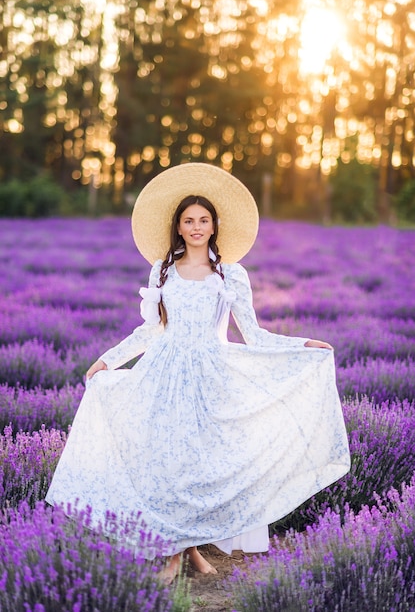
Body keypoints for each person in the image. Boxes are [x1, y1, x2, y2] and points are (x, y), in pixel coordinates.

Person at [46, 163, 350, 584]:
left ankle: (190, 548)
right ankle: (178, 554)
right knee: (166, 460)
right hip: (163, 372)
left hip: (212, 375)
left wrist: (303, 345)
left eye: (203, 220)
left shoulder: (231, 274)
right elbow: (152, 330)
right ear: (178, 226)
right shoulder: (162, 270)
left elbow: (254, 335)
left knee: (199, 463)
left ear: (214, 226)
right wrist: (109, 359)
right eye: (188, 220)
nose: (196, 227)